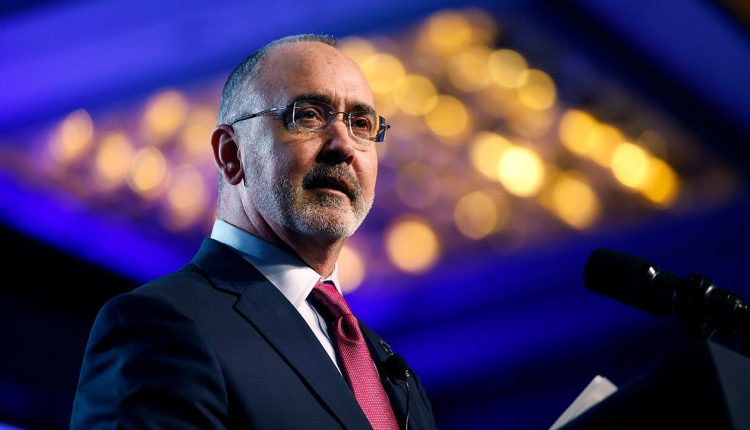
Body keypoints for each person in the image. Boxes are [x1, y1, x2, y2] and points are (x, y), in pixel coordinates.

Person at [70, 34, 437, 429]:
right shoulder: (160, 324)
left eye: (361, 124)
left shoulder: (394, 373)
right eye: (309, 115)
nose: (344, 145)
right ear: (232, 154)